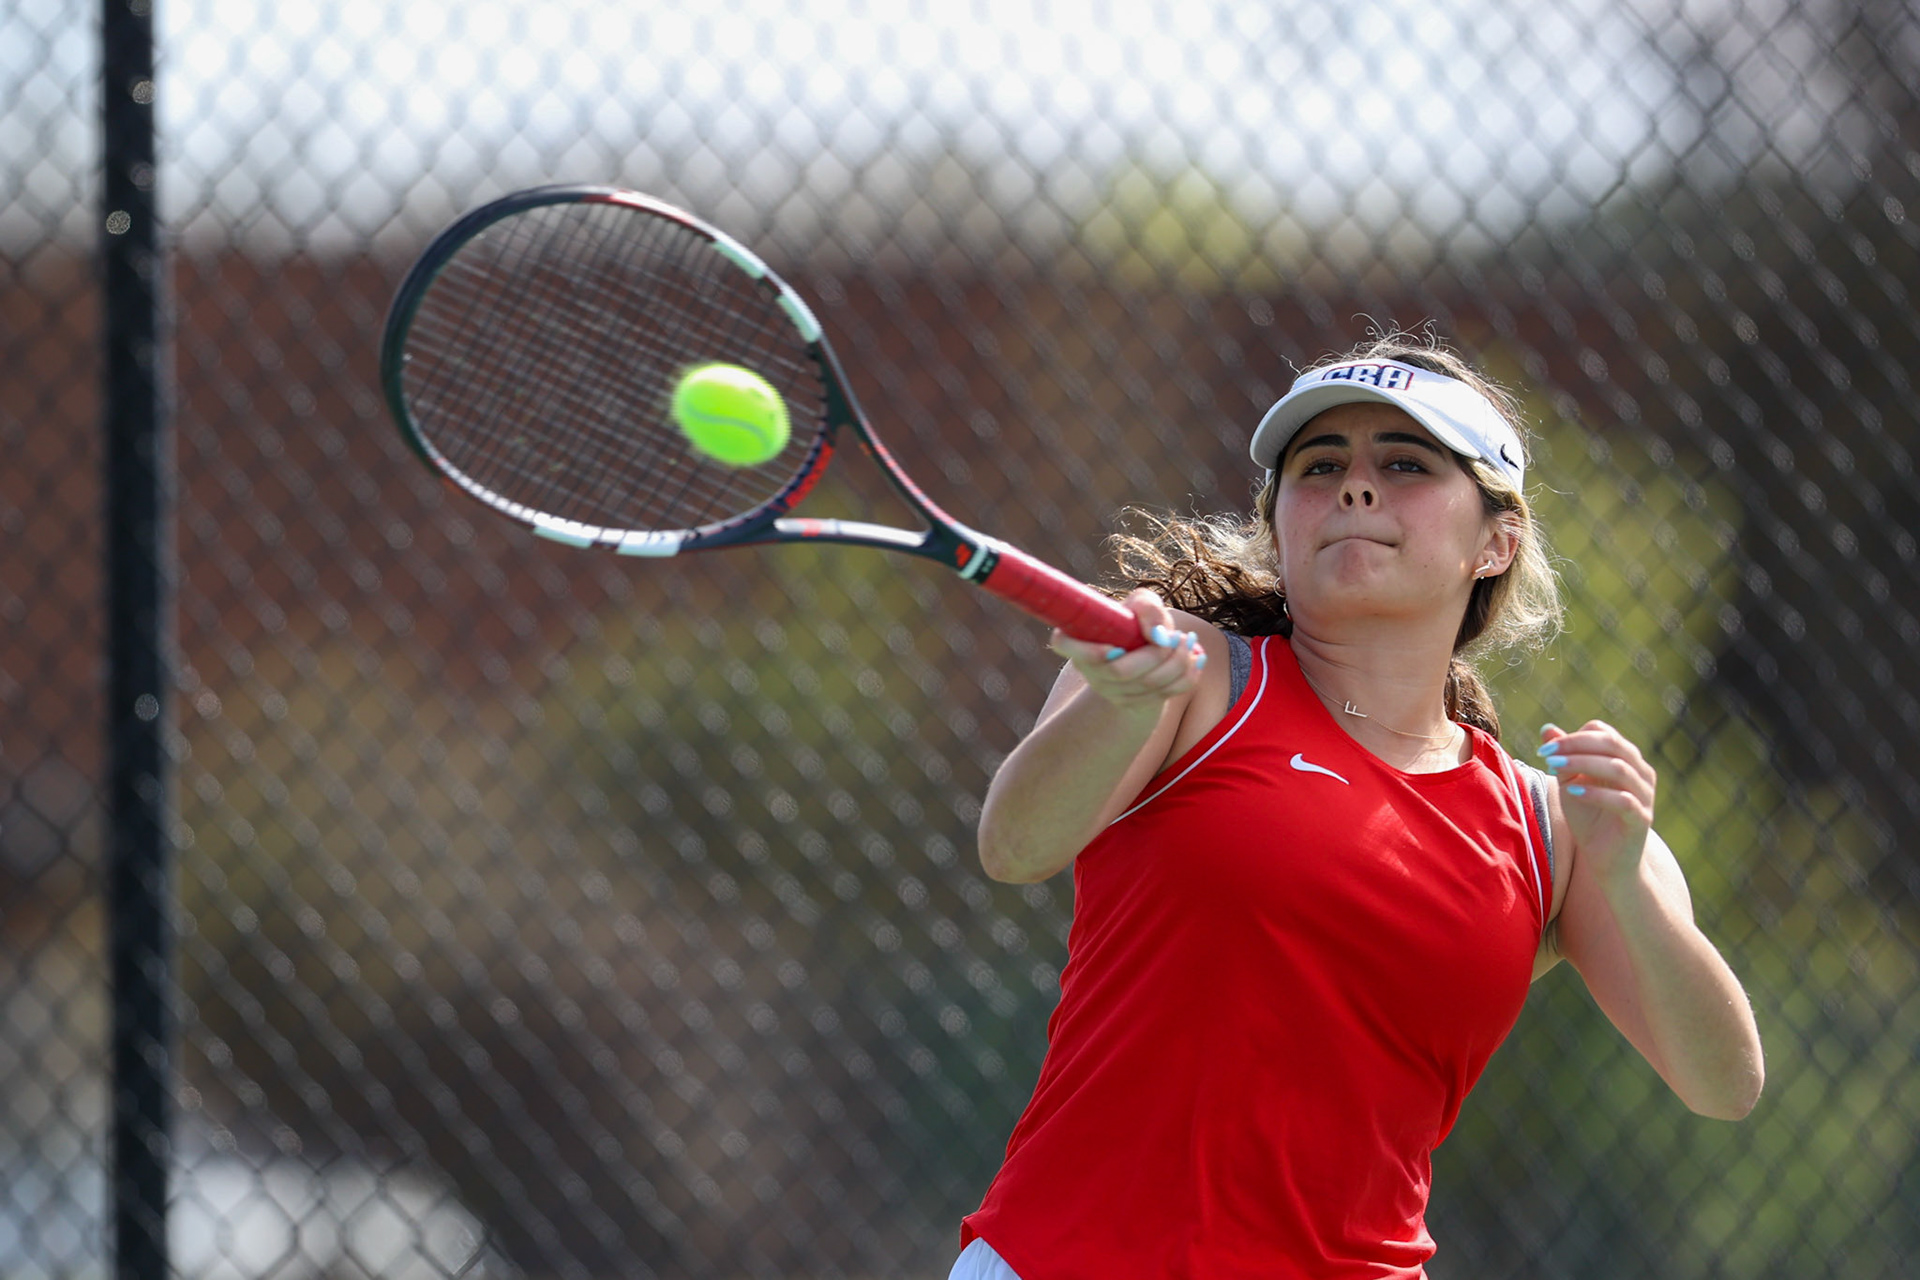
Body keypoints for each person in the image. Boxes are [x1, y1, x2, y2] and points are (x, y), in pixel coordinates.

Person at [953, 336, 1765, 1280]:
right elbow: (1014, 847)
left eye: (1405, 464)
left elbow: (1724, 1083)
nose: (1355, 487)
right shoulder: (1180, 671)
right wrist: (1121, 703)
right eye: (1321, 465)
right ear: (1279, 524)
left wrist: (1626, 879)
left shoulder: (1560, 830)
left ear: (1495, 542)